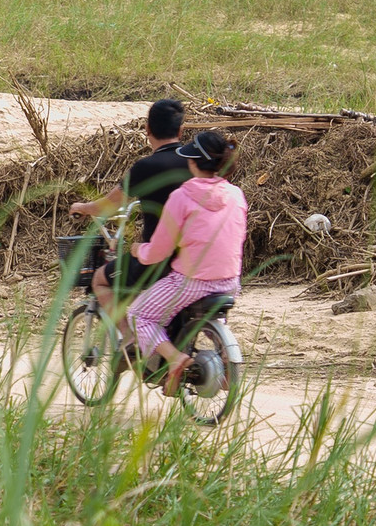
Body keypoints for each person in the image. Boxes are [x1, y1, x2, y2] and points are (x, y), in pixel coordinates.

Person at [123, 129, 246, 395]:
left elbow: (159, 251)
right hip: (229, 281)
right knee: (210, 315)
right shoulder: (236, 195)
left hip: (191, 282)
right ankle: (222, 362)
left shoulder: (182, 197)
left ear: (192, 163)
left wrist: (138, 251)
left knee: (138, 315)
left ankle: (176, 359)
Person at [66, 99, 193, 314]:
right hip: (195, 256)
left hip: (157, 260)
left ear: (147, 129)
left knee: (100, 280)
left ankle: (129, 339)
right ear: (181, 131)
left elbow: (107, 206)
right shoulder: (196, 164)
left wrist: (83, 207)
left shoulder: (145, 167)